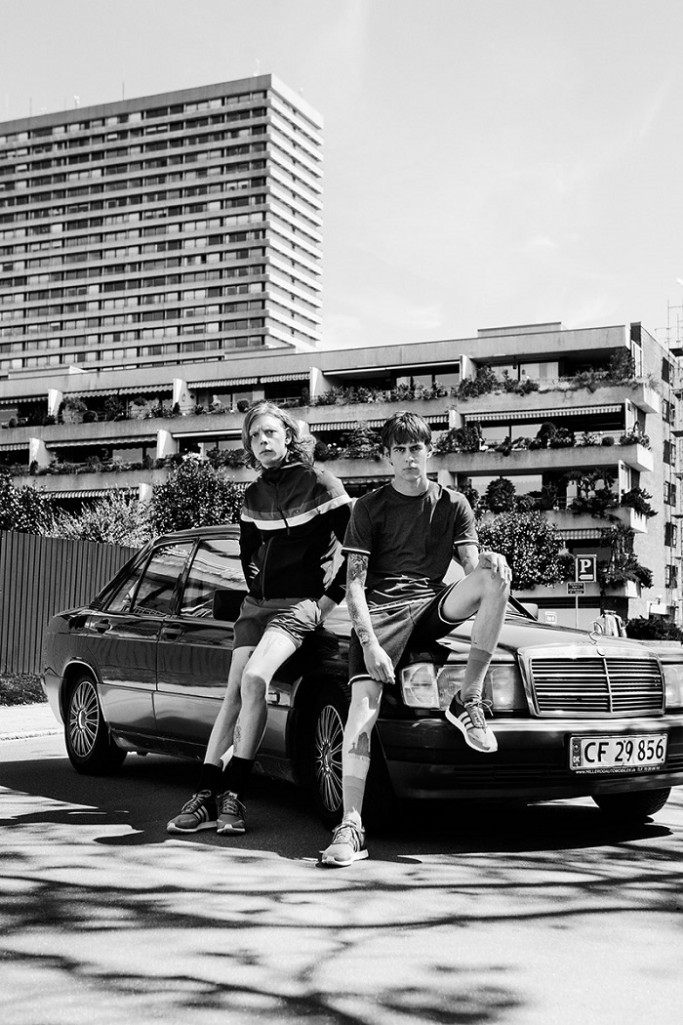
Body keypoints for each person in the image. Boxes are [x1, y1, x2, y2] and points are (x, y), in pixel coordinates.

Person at [319, 411, 512, 867]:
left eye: (417, 448)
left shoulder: (454, 504)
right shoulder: (369, 507)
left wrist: (491, 562)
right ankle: (350, 825)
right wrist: (369, 644)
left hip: (428, 605)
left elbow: (472, 569)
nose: (410, 458)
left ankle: (468, 698)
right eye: (400, 450)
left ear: (429, 451)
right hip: (381, 612)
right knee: (363, 708)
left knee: (497, 574)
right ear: (387, 456)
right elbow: (354, 585)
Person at [168, 401, 352, 836]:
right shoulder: (252, 495)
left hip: (299, 605)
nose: (262, 441)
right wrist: (254, 590)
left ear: (288, 435)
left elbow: (357, 551)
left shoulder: (322, 483)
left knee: (254, 679)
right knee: (232, 694)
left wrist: (326, 603)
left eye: (269, 432)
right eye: (254, 436)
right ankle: (205, 796)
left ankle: (234, 794)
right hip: (257, 607)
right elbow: (248, 554)